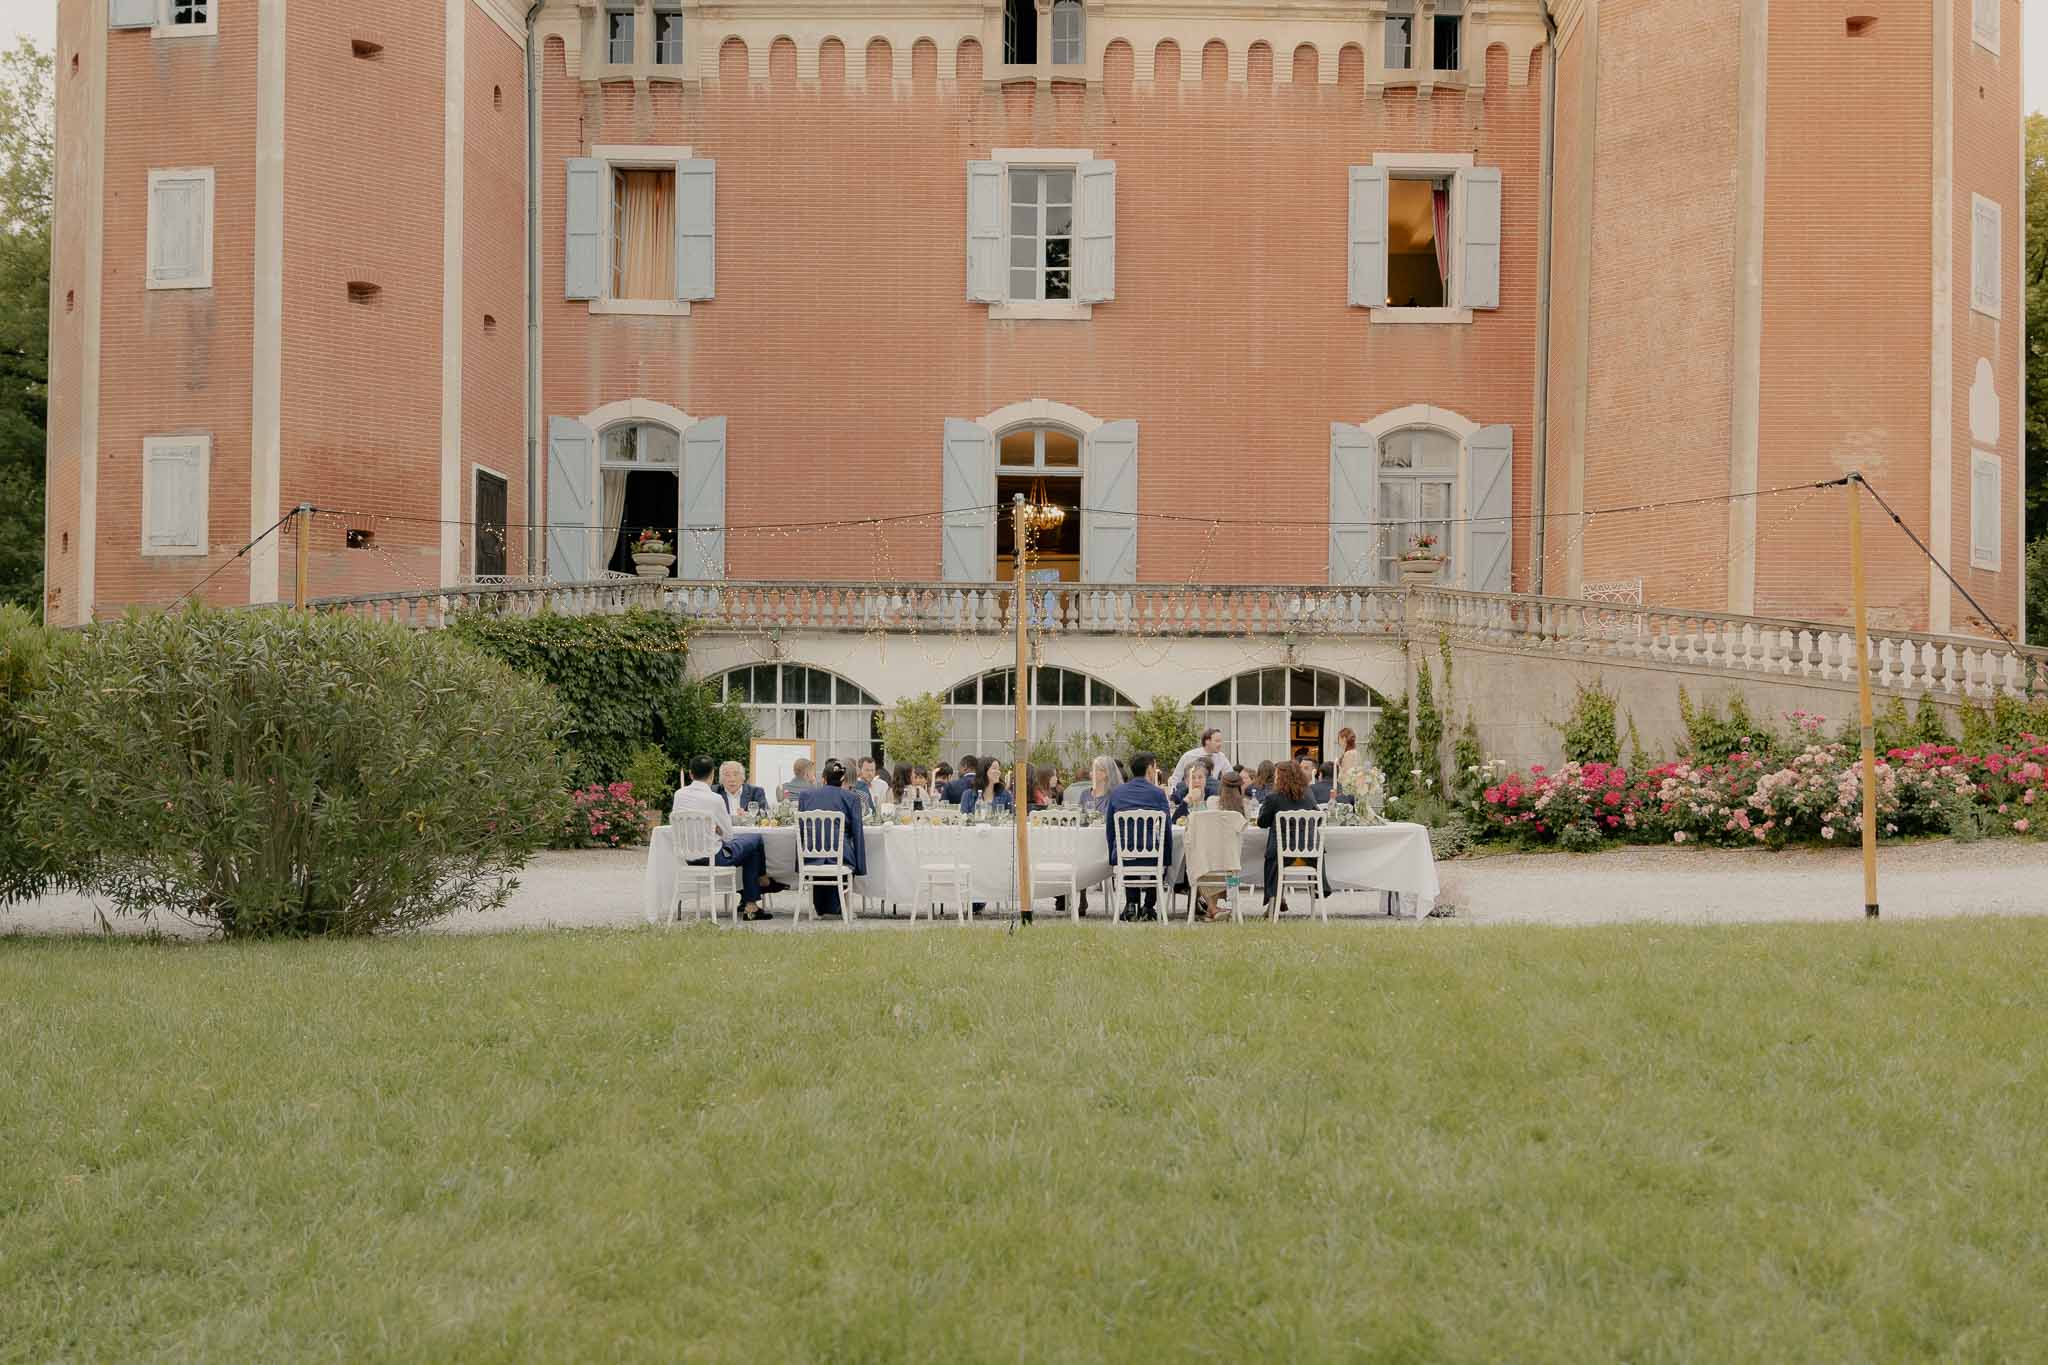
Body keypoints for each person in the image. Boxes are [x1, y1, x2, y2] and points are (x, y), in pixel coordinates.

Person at [672, 754, 771, 921]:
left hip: (689, 858)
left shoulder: (679, 795)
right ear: (713, 775)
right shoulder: (715, 798)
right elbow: (728, 835)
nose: (731, 779)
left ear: (690, 774)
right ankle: (753, 899)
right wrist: (717, 829)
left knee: (751, 852)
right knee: (754, 840)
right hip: (714, 857)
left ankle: (750, 902)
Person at [1103, 751, 1172, 922]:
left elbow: (1110, 828)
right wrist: (1167, 857)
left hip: (1123, 855)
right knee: (1159, 856)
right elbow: (1166, 828)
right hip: (1151, 854)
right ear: (1149, 769)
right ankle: (1149, 906)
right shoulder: (1157, 793)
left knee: (1128, 849)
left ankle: (1132, 904)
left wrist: (1113, 853)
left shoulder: (1117, 793)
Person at [795, 760, 866, 919]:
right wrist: (860, 865)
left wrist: (799, 863)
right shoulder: (851, 798)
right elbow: (857, 832)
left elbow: (800, 831)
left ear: (823, 779)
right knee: (848, 852)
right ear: (843, 781)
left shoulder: (805, 796)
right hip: (840, 855)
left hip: (811, 853)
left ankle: (819, 909)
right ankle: (846, 907)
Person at [1256, 757, 1324, 915]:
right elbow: (1318, 817)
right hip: (1308, 855)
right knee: (1276, 852)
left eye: (1276, 775)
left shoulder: (1274, 797)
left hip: (1283, 856)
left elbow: (1262, 822)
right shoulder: (1308, 794)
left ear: (1281, 777)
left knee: (1272, 855)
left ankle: (1274, 901)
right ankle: (1280, 900)